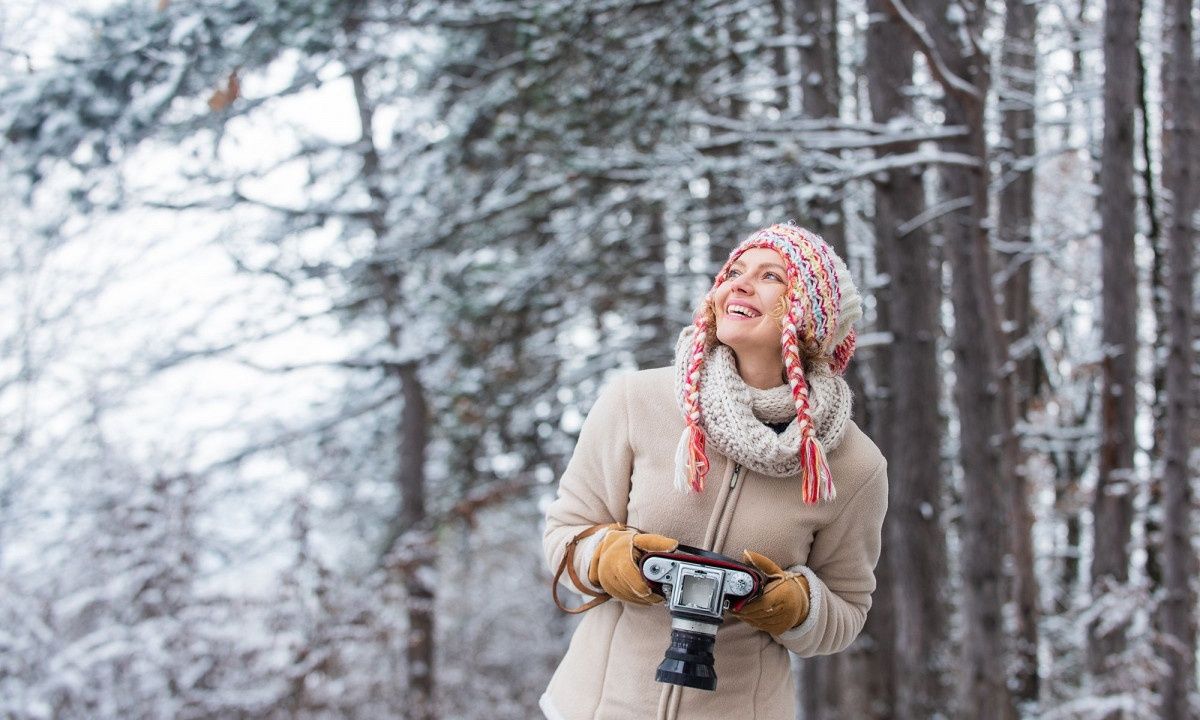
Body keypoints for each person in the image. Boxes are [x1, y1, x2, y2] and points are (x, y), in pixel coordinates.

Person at [540, 222, 889, 720]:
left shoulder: (854, 465)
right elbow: (562, 538)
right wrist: (611, 559)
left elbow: (848, 610)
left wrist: (795, 605)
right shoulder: (637, 402)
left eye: (771, 276)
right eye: (734, 271)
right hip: (595, 707)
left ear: (811, 317)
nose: (739, 285)